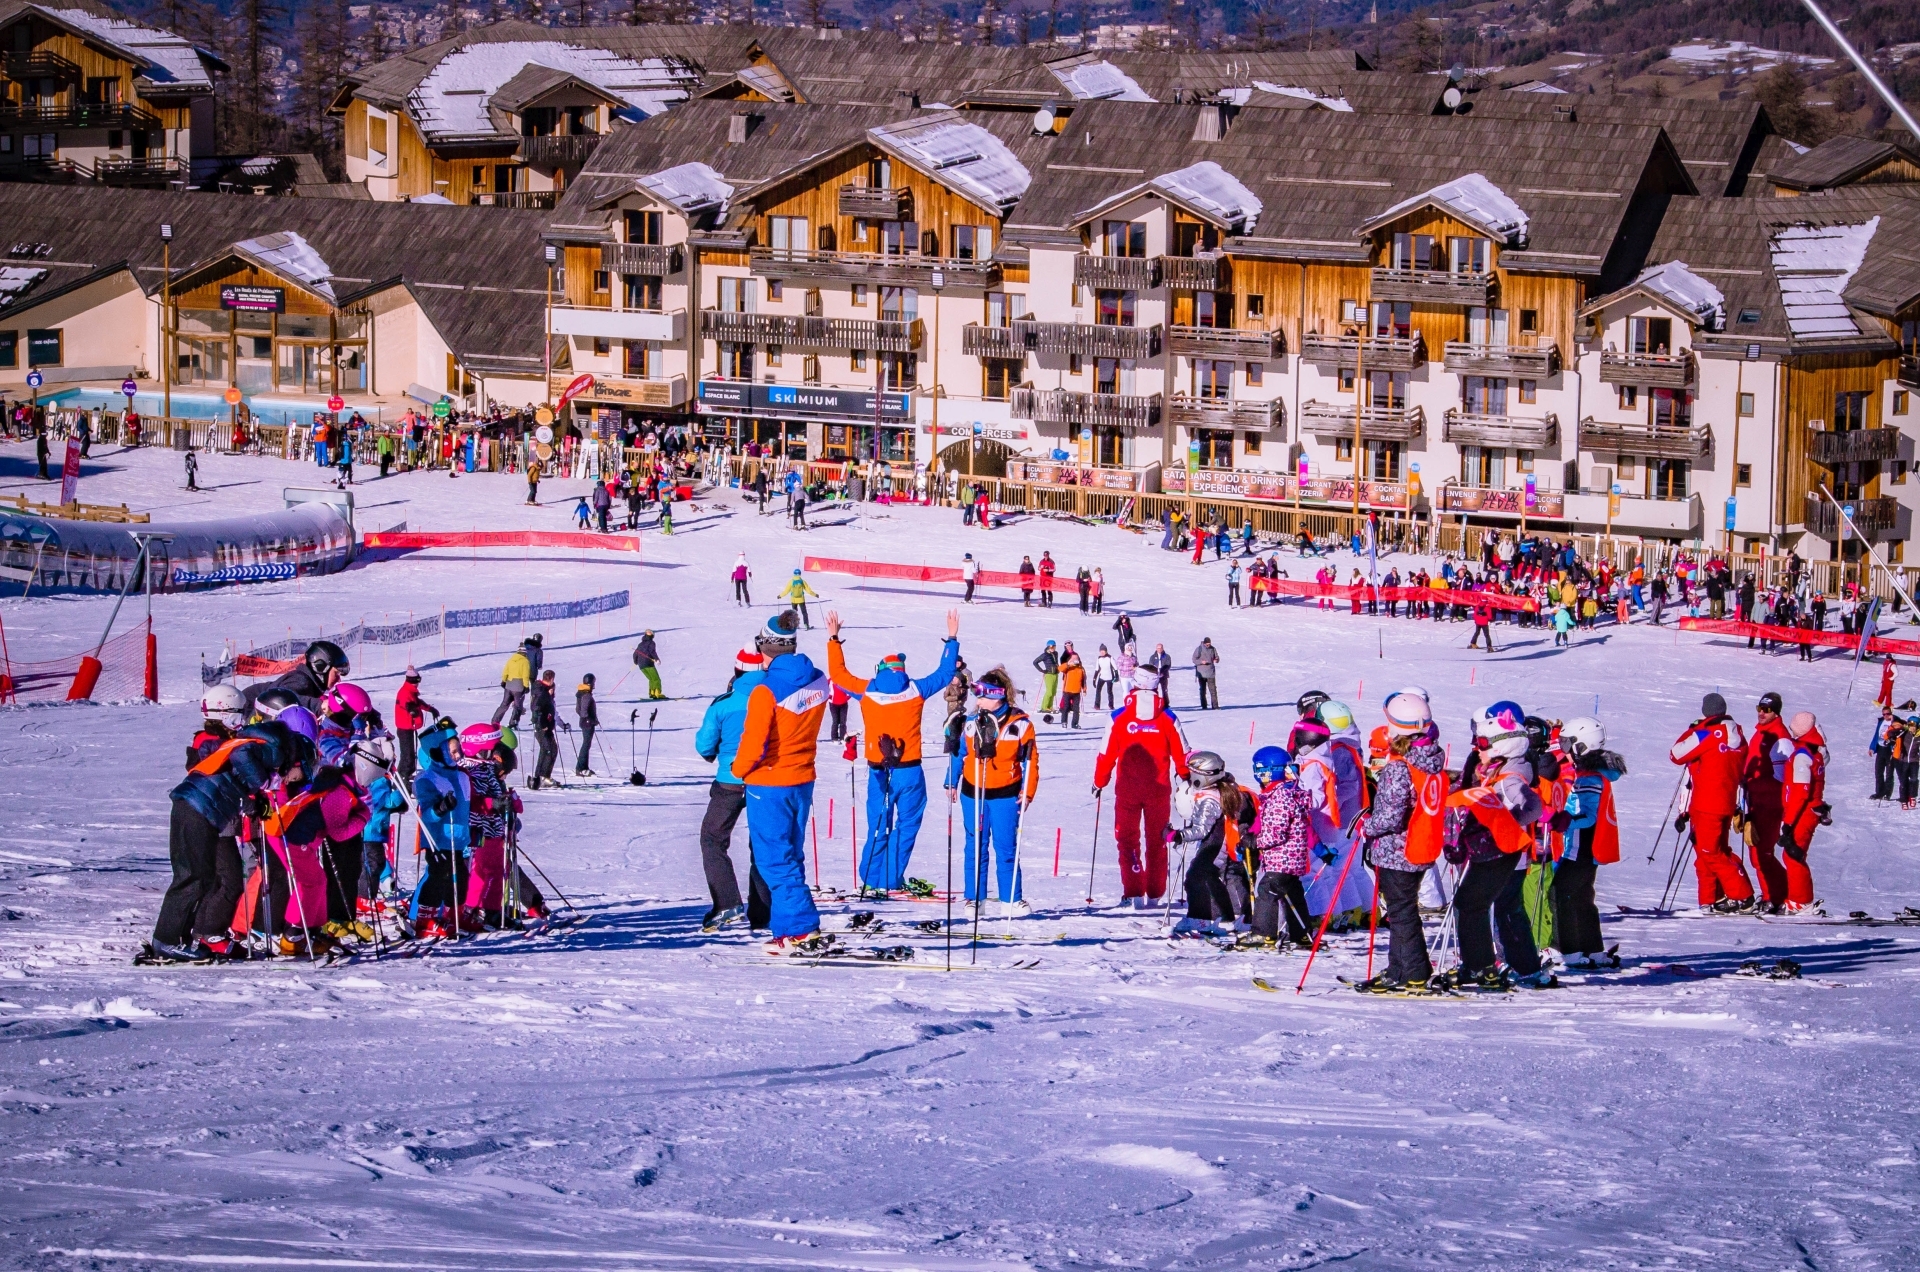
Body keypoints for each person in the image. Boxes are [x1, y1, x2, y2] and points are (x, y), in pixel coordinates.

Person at [146, 711, 304, 963]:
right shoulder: (268, 747)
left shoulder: (258, 745)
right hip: (196, 808)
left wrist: (256, 800)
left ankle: (177, 939)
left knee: (204, 877)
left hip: (197, 807)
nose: (288, 777)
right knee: (192, 877)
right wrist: (263, 783)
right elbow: (241, 757)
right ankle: (166, 940)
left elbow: (233, 777)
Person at [827, 608, 960, 894]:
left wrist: (834, 639)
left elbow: (837, 674)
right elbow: (946, 672)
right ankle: (890, 876)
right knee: (908, 823)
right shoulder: (915, 690)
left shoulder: (867, 690)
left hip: (878, 770)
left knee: (878, 822)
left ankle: (872, 876)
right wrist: (952, 638)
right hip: (909, 770)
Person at [731, 612, 832, 953]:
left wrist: (739, 769)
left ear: (764, 647)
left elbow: (753, 742)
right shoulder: (817, 679)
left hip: (770, 782)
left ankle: (799, 928)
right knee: (790, 854)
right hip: (802, 778)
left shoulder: (765, 690)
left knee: (774, 859)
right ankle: (789, 926)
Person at [1445, 701, 1550, 990]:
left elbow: (1534, 807)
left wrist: (1505, 823)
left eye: (1482, 743)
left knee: (1500, 908)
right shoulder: (1505, 770)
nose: (1477, 748)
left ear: (1502, 747)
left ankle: (1513, 967)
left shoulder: (1510, 778)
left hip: (1506, 854)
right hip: (1504, 852)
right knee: (1497, 907)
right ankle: (1503, 965)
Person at [1354, 693, 1446, 991]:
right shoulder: (1430, 761)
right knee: (1401, 910)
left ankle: (1416, 971)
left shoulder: (1400, 767)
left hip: (1397, 851)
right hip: (1420, 845)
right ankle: (1398, 969)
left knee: (1402, 913)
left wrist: (1367, 825)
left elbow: (1390, 817)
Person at [946, 668, 1040, 916]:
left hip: (1006, 795)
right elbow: (959, 754)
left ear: (997, 696)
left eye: (982, 696)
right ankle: (975, 899)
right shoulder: (970, 723)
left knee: (1006, 847)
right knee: (975, 845)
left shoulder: (1020, 725)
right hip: (972, 792)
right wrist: (951, 782)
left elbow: (1031, 761)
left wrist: (1027, 792)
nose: (978, 701)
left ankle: (1011, 899)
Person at [1093, 666, 1189, 907]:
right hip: (1158, 789)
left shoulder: (1118, 717)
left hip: (1127, 790)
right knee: (1158, 840)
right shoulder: (1168, 717)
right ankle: (1155, 894)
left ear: (1134, 683)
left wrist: (1099, 781)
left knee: (1127, 839)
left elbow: (1106, 754)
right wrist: (1187, 780)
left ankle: (1134, 892)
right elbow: (1183, 755)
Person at [695, 646, 776, 931]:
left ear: (737, 671)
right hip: (766, 780)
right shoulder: (775, 696)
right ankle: (763, 912)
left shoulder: (724, 703)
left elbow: (704, 745)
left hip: (730, 780)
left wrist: (717, 750)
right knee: (762, 844)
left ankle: (727, 902)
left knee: (713, 839)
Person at [1669, 692, 1757, 912]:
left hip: (1706, 803)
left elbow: (1676, 754)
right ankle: (1711, 898)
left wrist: (1694, 729)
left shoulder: (1708, 734)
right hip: (1726, 801)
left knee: (1710, 852)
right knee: (1713, 851)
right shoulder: (1739, 735)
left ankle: (1743, 896)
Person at [1552, 716, 1625, 969]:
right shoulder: (1591, 774)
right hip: (1589, 850)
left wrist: (1563, 821)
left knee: (1563, 895)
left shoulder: (1588, 779)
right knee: (1583, 898)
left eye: (1567, 744)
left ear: (1581, 747)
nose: (1564, 750)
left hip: (1580, 849)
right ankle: (1594, 950)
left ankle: (1572, 952)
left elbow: (1588, 816)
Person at [1170, 751, 1250, 937]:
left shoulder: (1209, 797)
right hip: (1216, 841)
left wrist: (1177, 836)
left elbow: (1201, 829)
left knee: (1200, 878)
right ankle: (1214, 916)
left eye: (1193, 774)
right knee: (1202, 877)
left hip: (1216, 844)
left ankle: (1211, 918)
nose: (1190, 778)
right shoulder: (1222, 789)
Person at [408, 717, 469, 937]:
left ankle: (455, 917)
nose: (458, 755)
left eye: (458, 749)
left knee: (461, 878)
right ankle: (425, 920)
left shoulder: (462, 777)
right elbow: (427, 817)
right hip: (437, 840)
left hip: (458, 839)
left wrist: (472, 830)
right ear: (437, 751)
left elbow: (465, 811)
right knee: (437, 877)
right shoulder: (428, 779)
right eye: (452, 751)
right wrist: (441, 808)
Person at [455, 723, 518, 929]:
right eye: (492, 748)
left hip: (495, 826)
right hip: (477, 827)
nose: (494, 753)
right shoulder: (467, 770)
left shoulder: (488, 767)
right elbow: (471, 801)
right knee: (479, 871)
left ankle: (493, 911)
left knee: (499, 869)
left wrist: (507, 802)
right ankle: (470, 909)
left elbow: (495, 792)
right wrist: (494, 804)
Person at [1250, 747, 1313, 946]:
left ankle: (1263, 933)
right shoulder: (1287, 793)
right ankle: (1301, 934)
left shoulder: (1280, 797)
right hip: (1291, 857)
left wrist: (1255, 841)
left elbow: (1276, 832)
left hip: (1281, 858)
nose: (1258, 775)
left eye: (1260, 770)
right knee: (1292, 894)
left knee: (1267, 890)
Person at [1776, 711, 1829, 914]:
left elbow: (1800, 792)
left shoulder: (1802, 756)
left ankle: (1801, 900)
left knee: (1793, 854)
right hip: (1808, 811)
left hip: (1802, 812)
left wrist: (1788, 824)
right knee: (1793, 854)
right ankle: (1798, 898)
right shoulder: (1814, 751)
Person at [1742, 690, 1791, 909]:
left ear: (1776, 712)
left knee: (1762, 853)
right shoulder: (1761, 732)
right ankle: (1773, 893)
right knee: (1757, 853)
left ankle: (1776, 895)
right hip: (1756, 801)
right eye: (1759, 708)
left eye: (1767, 709)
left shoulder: (1779, 736)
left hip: (1770, 804)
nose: (1761, 713)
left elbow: (1785, 776)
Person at [393, 667, 435, 782]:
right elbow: (406, 703)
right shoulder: (405, 692)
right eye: (417, 681)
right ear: (413, 680)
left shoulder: (410, 691)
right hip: (404, 729)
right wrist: (411, 709)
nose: (418, 684)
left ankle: (407, 776)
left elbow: (417, 703)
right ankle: (402, 779)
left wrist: (430, 709)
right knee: (407, 756)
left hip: (409, 728)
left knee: (410, 754)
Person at [492, 636, 539, 727]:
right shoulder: (525, 661)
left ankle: (495, 721)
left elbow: (505, 671)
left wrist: (504, 681)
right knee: (518, 706)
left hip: (509, 685)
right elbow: (525, 675)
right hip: (519, 686)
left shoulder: (511, 659)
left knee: (504, 704)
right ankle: (513, 722)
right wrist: (526, 686)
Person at [1871, 703, 1901, 801]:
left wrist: (1894, 719)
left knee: (1889, 773)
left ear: (1891, 713)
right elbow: (1876, 735)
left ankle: (1887, 794)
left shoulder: (1895, 722)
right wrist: (1872, 747)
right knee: (1878, 772)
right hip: (1881, 749)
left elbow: (1901, 725)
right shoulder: (1881, 722)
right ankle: (1879, 792)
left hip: (1890, 750)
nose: (1886, 716)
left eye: (1887, 714)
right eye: (1884, 714)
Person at [571, 673, 598, 777]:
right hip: (587, 723)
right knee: (586, 745)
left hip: (584, 722)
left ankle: (584, 767)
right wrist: (591, 720)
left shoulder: (582, 693)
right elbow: (583, 712)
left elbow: (578, 710)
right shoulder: (586, 694)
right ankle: (580, 768)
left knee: (587, 744)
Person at [632, 629, 665, 700]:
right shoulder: (651, 643)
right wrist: (657, 659)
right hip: (648, 664)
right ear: (652, 635)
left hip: (641, 666)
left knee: (651, 679)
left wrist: (636, 662)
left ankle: (652, 693)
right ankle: (657, 694)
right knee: (656, 679)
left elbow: (635, 653)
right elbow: (652, 652)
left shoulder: (640, 644)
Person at [1058, 646, 1085, 729]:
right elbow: (1060, 668)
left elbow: (1083, 680)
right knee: (1065, 707)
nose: (1075, 661)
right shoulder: (1068, 668)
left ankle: (1075, 724)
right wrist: (1068, 664)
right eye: (1073, 659)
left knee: (1076, 709)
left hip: (1077, 692)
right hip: (1067, 691)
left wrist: (1084, 689)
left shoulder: (1081, 669)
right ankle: (1064, 722)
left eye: (1076, 659)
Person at [1033, 640, 1060, 718]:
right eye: (1051, 647)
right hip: (1049, 674)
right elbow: (1035, 662)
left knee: (1054, 691)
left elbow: (1056, 662)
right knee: (1049, 691)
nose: (1053, 648)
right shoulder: (1045, 655)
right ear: (1048, 647)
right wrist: (1042, 670)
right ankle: (1044, 707)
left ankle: (1050, 706)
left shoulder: (1056, 653)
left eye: (1054, 646)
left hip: (1055, 674)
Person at [1192, 637, 1219, 710]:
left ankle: (1215, 706)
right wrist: (1201, 662)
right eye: (1207, 644)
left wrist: (1216, 659)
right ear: (1204, 643)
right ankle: (1204, 706)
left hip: (1211, 673)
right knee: (1202, 690)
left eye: (1209, 644)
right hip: (1201, 673)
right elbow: (1194, 659)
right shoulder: (1199, 649)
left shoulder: (1213, 649)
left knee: (1213, 690)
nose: (1208, 645)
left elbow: (1217, 657)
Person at [1091, 645, 1118, 711]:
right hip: (1102, 677)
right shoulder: (1099, 658)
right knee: (1098, 690)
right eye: (1101, 651)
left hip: (1109, 677)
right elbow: (1097, 669)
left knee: (1109, 691)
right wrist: (1094, 679)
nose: (1102, 652)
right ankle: (1097, 705)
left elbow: (1115, 668)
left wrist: (1116, 676)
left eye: (1103, 651)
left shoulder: (1110, 658)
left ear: (1106, 651)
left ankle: (1111, 705)